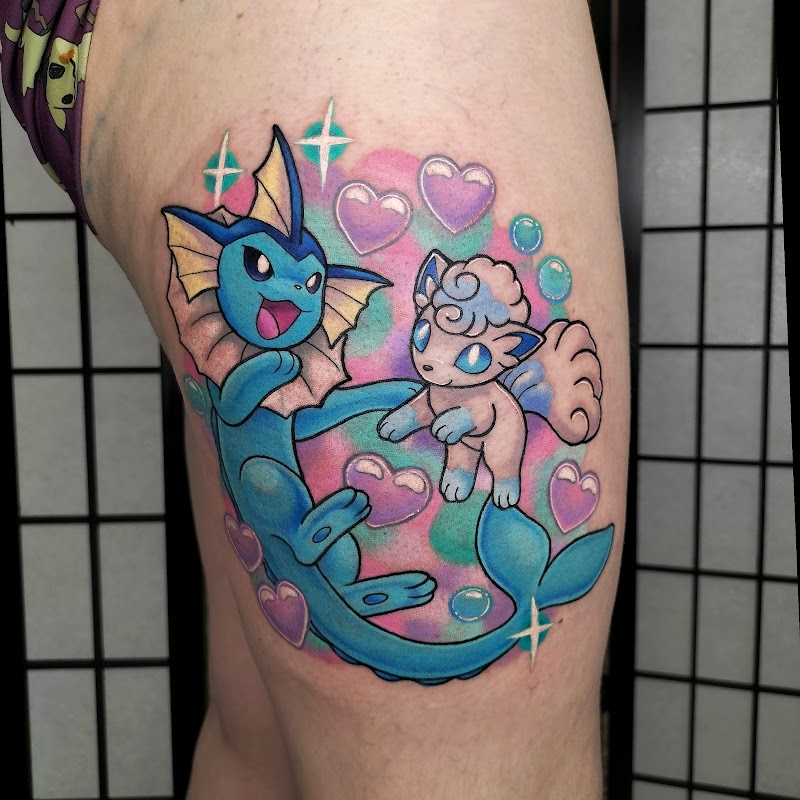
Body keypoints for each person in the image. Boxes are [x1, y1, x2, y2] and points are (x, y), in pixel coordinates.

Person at [3, 1, 629, 797]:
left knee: (254, 745)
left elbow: (315, 408)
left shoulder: (283, 355)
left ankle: (366, 596)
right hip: (342, 31)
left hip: (62, 47)